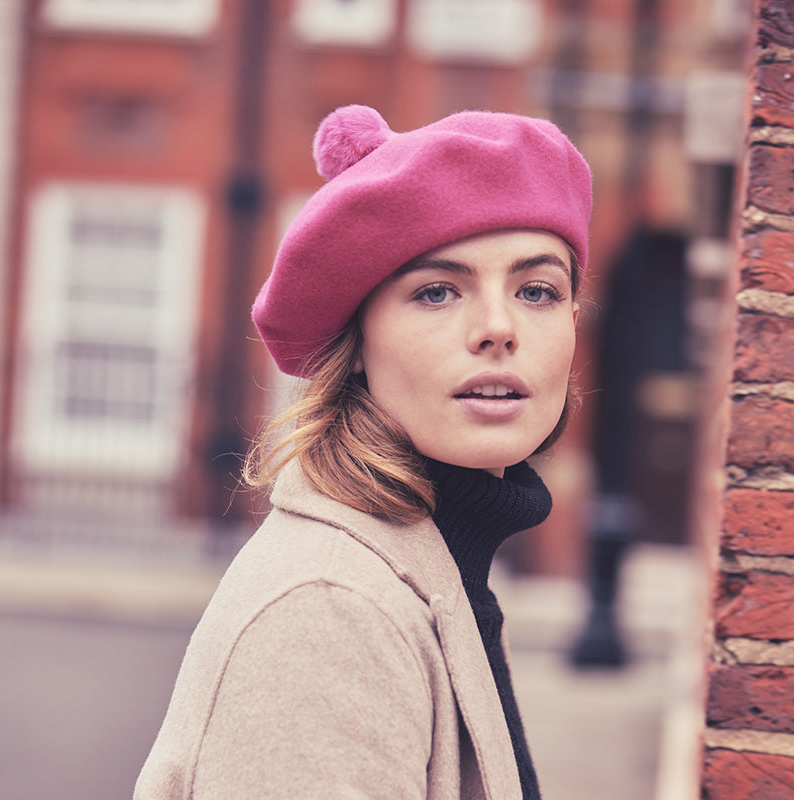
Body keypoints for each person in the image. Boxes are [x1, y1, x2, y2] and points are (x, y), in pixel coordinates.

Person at [135, 104, 591, 800]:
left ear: (573, 324)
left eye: (537, 290)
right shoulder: (330, 612)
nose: (499, 327)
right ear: (358, 348)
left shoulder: (437, 566)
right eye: (437, 292)